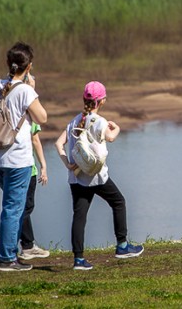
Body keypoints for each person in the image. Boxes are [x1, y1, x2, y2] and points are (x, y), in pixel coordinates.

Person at [54, 80, 143, 271]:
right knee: (118, 202)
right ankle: (122, 246)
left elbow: (58, 144)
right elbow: (110, 137)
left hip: (77, 178)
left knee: (79, 216)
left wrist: (69, 165)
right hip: (96, 176)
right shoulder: (99, 121)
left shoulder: (74, 121)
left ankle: (78, 260)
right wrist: (117, 127)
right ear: (101, 101)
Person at [0, 42, 48, 272]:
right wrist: (31, 87)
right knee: (13, 208)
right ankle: (7, 258)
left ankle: (11, 250)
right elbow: (42, 118)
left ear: (8, 64)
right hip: (17, 159)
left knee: (13, 206)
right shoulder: (25, 90)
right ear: (28, 66)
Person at [0, 123, 51, 261]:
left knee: (18, 204)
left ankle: (28, 246)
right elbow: (35, 140)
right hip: (24, 168)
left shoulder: (4, 112)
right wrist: (43, 165)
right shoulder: (28, 114)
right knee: (25, 207)